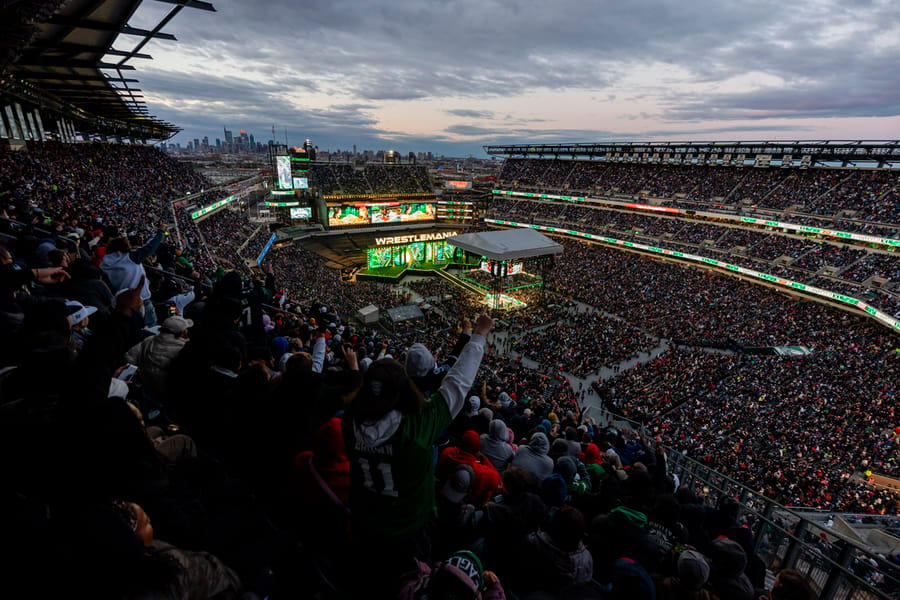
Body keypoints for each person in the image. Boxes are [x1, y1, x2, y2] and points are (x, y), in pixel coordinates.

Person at [343, 310, 494, 596]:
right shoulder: (418, 426)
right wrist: (480, 335)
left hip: (365, 524)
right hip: (409, 531)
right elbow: (457, 384)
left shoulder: (349, 422)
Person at [101, 222, 168, 328]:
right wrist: (161, 231)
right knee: (151, 328)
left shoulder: (105, 264)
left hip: (123, 302)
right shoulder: (130, 257)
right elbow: (150, 247)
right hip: (141, 300)